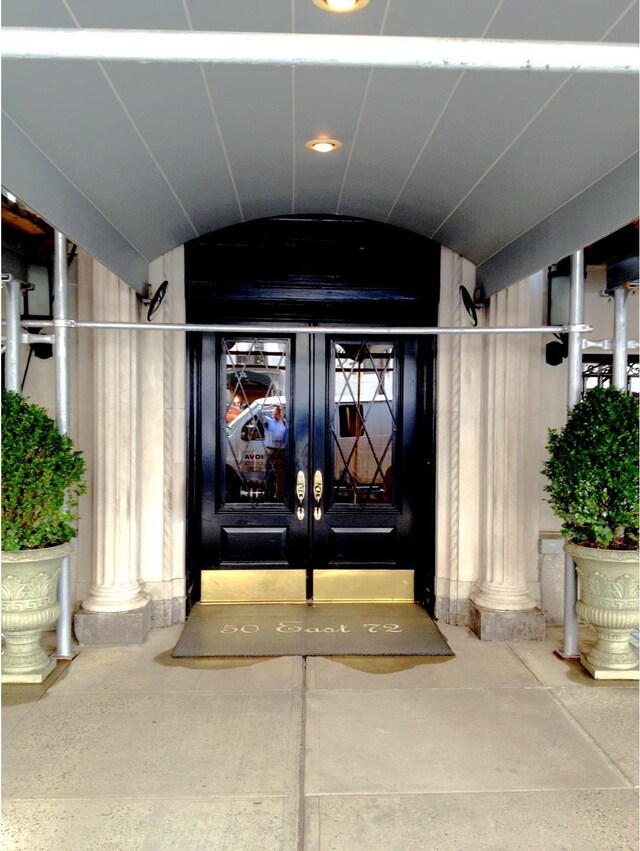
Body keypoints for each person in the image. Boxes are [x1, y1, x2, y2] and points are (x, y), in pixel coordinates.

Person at [263, 405, 287, 499]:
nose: (277, 413)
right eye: (276, 411)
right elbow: (260, 414)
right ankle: (269, 494)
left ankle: (280, 494)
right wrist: (270, 406)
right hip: (271, 451)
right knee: (269, 474)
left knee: (280, 475)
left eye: (279, 411)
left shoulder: (284, 423)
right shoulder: (269, 421)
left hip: (281, 452)